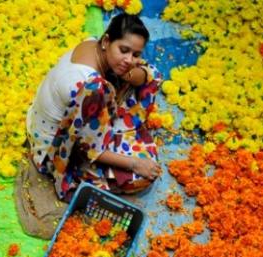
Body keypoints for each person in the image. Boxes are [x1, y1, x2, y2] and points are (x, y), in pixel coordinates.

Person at [27, 13, 164, 201]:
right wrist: (134, 164)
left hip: (73, 115)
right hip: (54, 147)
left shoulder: (92, 44)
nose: (129, 59)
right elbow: (88, 150)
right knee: (138, 178)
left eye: (136, 54)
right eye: (123, 50)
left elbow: (143, 75)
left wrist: (125, 70)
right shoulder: (91, 88)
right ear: (107, 41)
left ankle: (116, 128)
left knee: (150, 74)